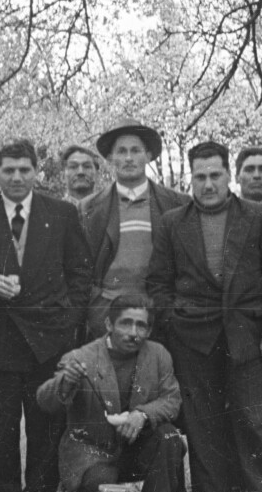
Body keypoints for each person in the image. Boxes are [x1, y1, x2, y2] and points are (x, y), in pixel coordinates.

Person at [146, 140, 262, 492]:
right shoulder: (172, 222)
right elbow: (158, 283)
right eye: (200, 177)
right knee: (202, 425)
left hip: (248, 338)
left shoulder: (259, 217)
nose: (208, 184)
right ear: (190, 179)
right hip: (193, 341)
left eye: (215, 175)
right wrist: (174, 322)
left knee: (257, 423)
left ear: (229, 176)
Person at [0, 138, 93, 492]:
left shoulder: (61, 214)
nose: (16, 177)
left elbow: (80, 275)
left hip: (49, 340)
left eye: (24, 169)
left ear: (36, 172)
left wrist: (68, 323)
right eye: (8, 170)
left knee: (46, 422)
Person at [36, 294, 185, 492]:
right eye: (125, 323)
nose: (133, 333)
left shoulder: (158, 355)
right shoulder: (81, 357)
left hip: (136, 448)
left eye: (141, 326)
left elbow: (172, 399)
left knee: (168, 436)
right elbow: (44, 401)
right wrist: (66, 381)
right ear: (108, 324)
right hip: (93, 453)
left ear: (149, 330)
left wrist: (142, 415)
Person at [79, 118, 189, 338]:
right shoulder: (89, 207)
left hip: (158, 313)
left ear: (148, 155)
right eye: (121, 151)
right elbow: (80, 269)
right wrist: (96, 306)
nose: (128, 158)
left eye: (135, 150)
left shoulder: (176, 203)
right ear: (110, 158)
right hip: (108, 312)